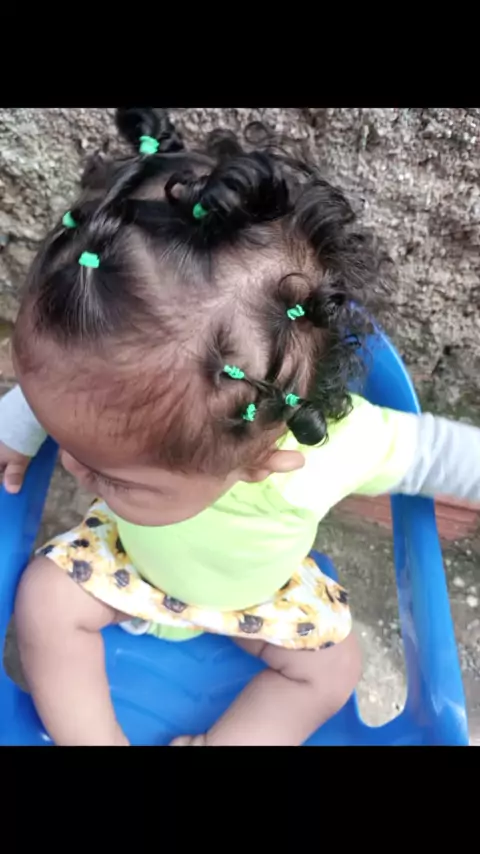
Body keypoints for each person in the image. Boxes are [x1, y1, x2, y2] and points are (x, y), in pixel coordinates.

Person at [1, 107, 479, 746]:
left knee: (333, 670)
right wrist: (15, 426)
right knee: (45, 601)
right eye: (72, 445)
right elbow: (60, 391)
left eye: (113, 477)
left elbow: (440, 453)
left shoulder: (335, 448)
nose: (71, 465)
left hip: (263, 601)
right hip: (127, 566)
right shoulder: (107, 388)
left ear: (261, 460)